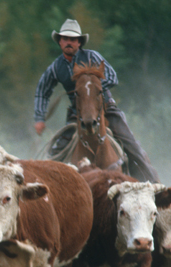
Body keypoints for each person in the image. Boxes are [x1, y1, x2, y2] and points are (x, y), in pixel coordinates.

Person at [34, 19, 160, 183]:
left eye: (73, 39)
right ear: (59, 41)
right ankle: (50, 190)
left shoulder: (92, 56)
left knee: (132, 146)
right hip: (76, 113)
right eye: (65, 39)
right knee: (55, 153)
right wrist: (39, 118)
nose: (69, 42)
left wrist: (93, 90)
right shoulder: (56, 67)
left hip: (106, 108)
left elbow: (113, 77)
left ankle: (153, 187)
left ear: (79, 42)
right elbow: (42, 90)